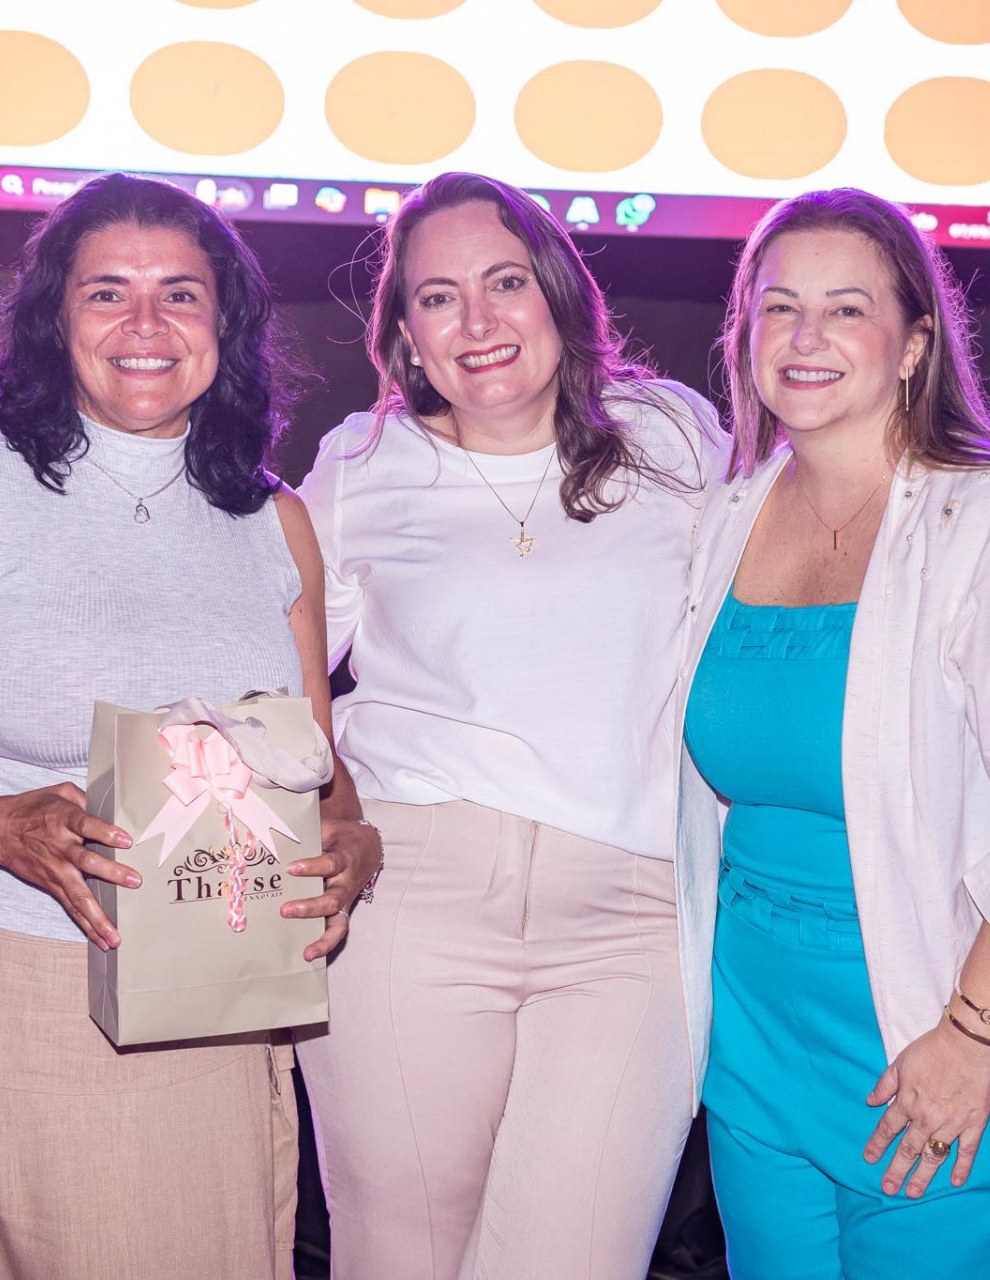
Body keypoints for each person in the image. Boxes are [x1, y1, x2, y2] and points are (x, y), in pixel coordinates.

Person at [0, 172, 379, 1280]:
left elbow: (313, 762)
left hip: (216, 986)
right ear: (54, 320)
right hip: (1, 976)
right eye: (107, 292)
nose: (145, 325)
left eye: (181, 294)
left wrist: (354, 841)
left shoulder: (277, 521)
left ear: (226, 324)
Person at [678, 188, 990, 1279]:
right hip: (758, 1038)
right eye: (779, 306)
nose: (805, 337)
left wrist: (973, 1035)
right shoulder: (725, 519)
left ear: (915, 344)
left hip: (960, 1024)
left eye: (847, 308)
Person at [293, 171, 723, 1279]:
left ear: (561, 295)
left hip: (630, 914)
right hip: (409, 897)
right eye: (438, 297)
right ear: (405, 333)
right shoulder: (362, 464)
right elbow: (279, 682)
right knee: (401, 1259)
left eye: (506, 282)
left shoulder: (674, 434)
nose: (478, 320)